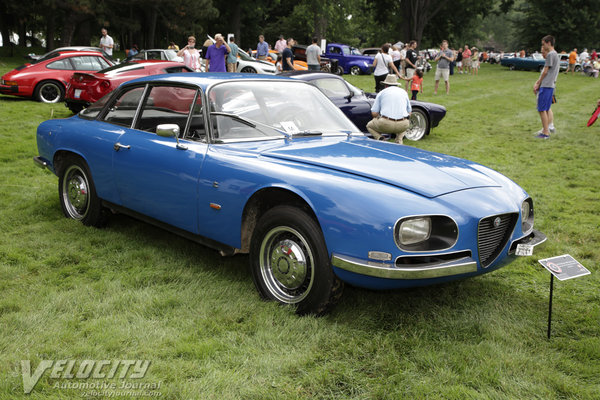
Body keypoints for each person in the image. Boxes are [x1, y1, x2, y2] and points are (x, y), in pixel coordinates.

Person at [366, 74, 411, 144]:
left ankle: (380, 138)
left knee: (369, 126)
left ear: (386, 85)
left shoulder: (381, 93)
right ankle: (399, 140)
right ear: (396, 84)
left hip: (386, 123)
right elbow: (409, 112)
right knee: (405, 121)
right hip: (402, 124)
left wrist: (378, 117)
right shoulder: (404, 92)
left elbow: (374, 113)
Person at [533, 35, 559, 139]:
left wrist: (538, 83)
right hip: (550, 85)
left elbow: (545, 71)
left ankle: (545, 133)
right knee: (547, 108)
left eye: (543, 44)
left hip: (546, 85)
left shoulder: (550, 55)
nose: (543, 47)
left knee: (541, 109)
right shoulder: (555, 54)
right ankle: (547, 128)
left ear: (549, 43)